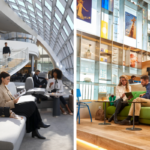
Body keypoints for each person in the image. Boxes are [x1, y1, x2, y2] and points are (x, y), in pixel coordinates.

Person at [0, 71, 50, 139]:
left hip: (13, 105)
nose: (9, 81)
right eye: (7, 79)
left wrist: (15, 96)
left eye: (9, 79)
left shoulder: (5, 87)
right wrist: (13, 101)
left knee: (32, 105)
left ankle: (35, 130)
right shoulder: (0, 89)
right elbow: (1, 105)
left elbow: (9, 98)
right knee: (31, 105)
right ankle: (38, 125)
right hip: (9, 109)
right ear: (2, 79)